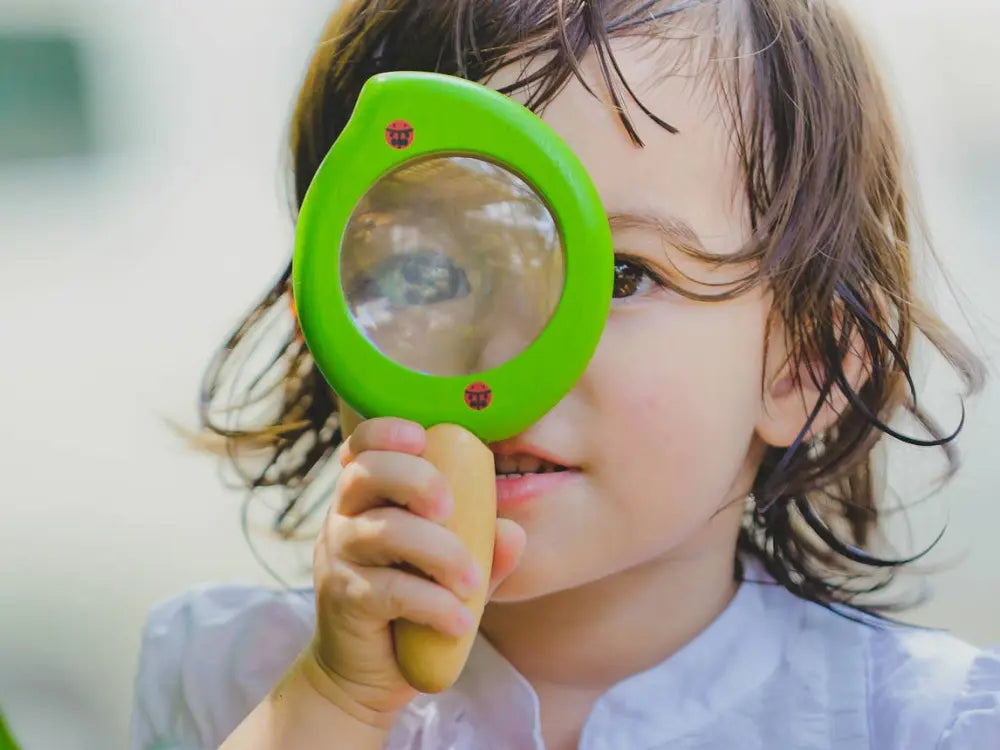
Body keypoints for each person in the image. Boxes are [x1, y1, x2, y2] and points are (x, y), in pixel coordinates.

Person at [130, 1, 1000, 748]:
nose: (506, 346)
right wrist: (333, 703)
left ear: (801, 363)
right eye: (428, 272)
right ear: (327, 320)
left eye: (622, 275)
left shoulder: (917, 724)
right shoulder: (235, 681)